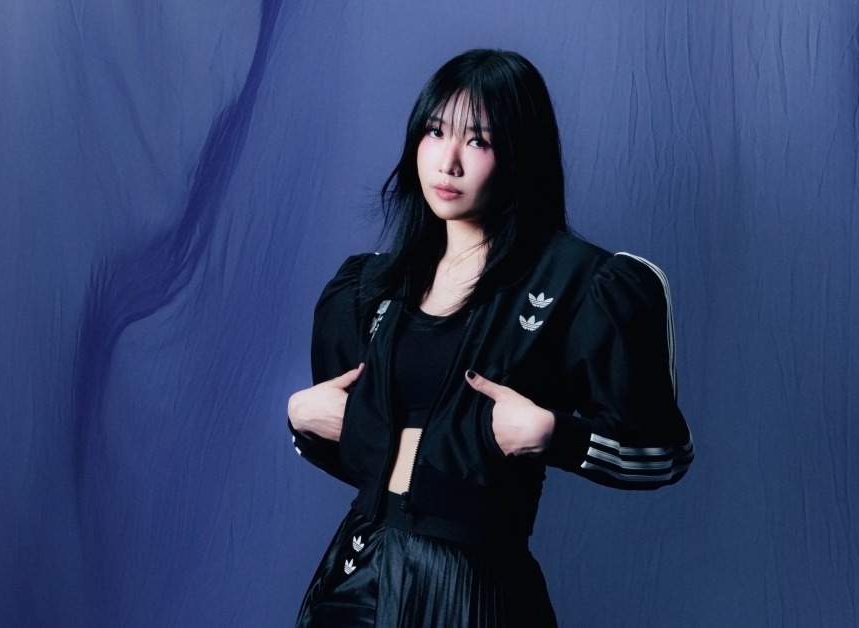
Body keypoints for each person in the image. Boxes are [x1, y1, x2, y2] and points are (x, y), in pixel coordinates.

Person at [287, 48, 693, 627]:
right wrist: (302, 418)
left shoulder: (581, 283)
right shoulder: (372, 286)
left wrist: (555, 436)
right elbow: (358, 455)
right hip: (357, 570)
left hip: (473, 586)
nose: (447, 161)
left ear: (520, 153)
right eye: (435, 132)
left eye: (477, 141)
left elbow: (665, 456)